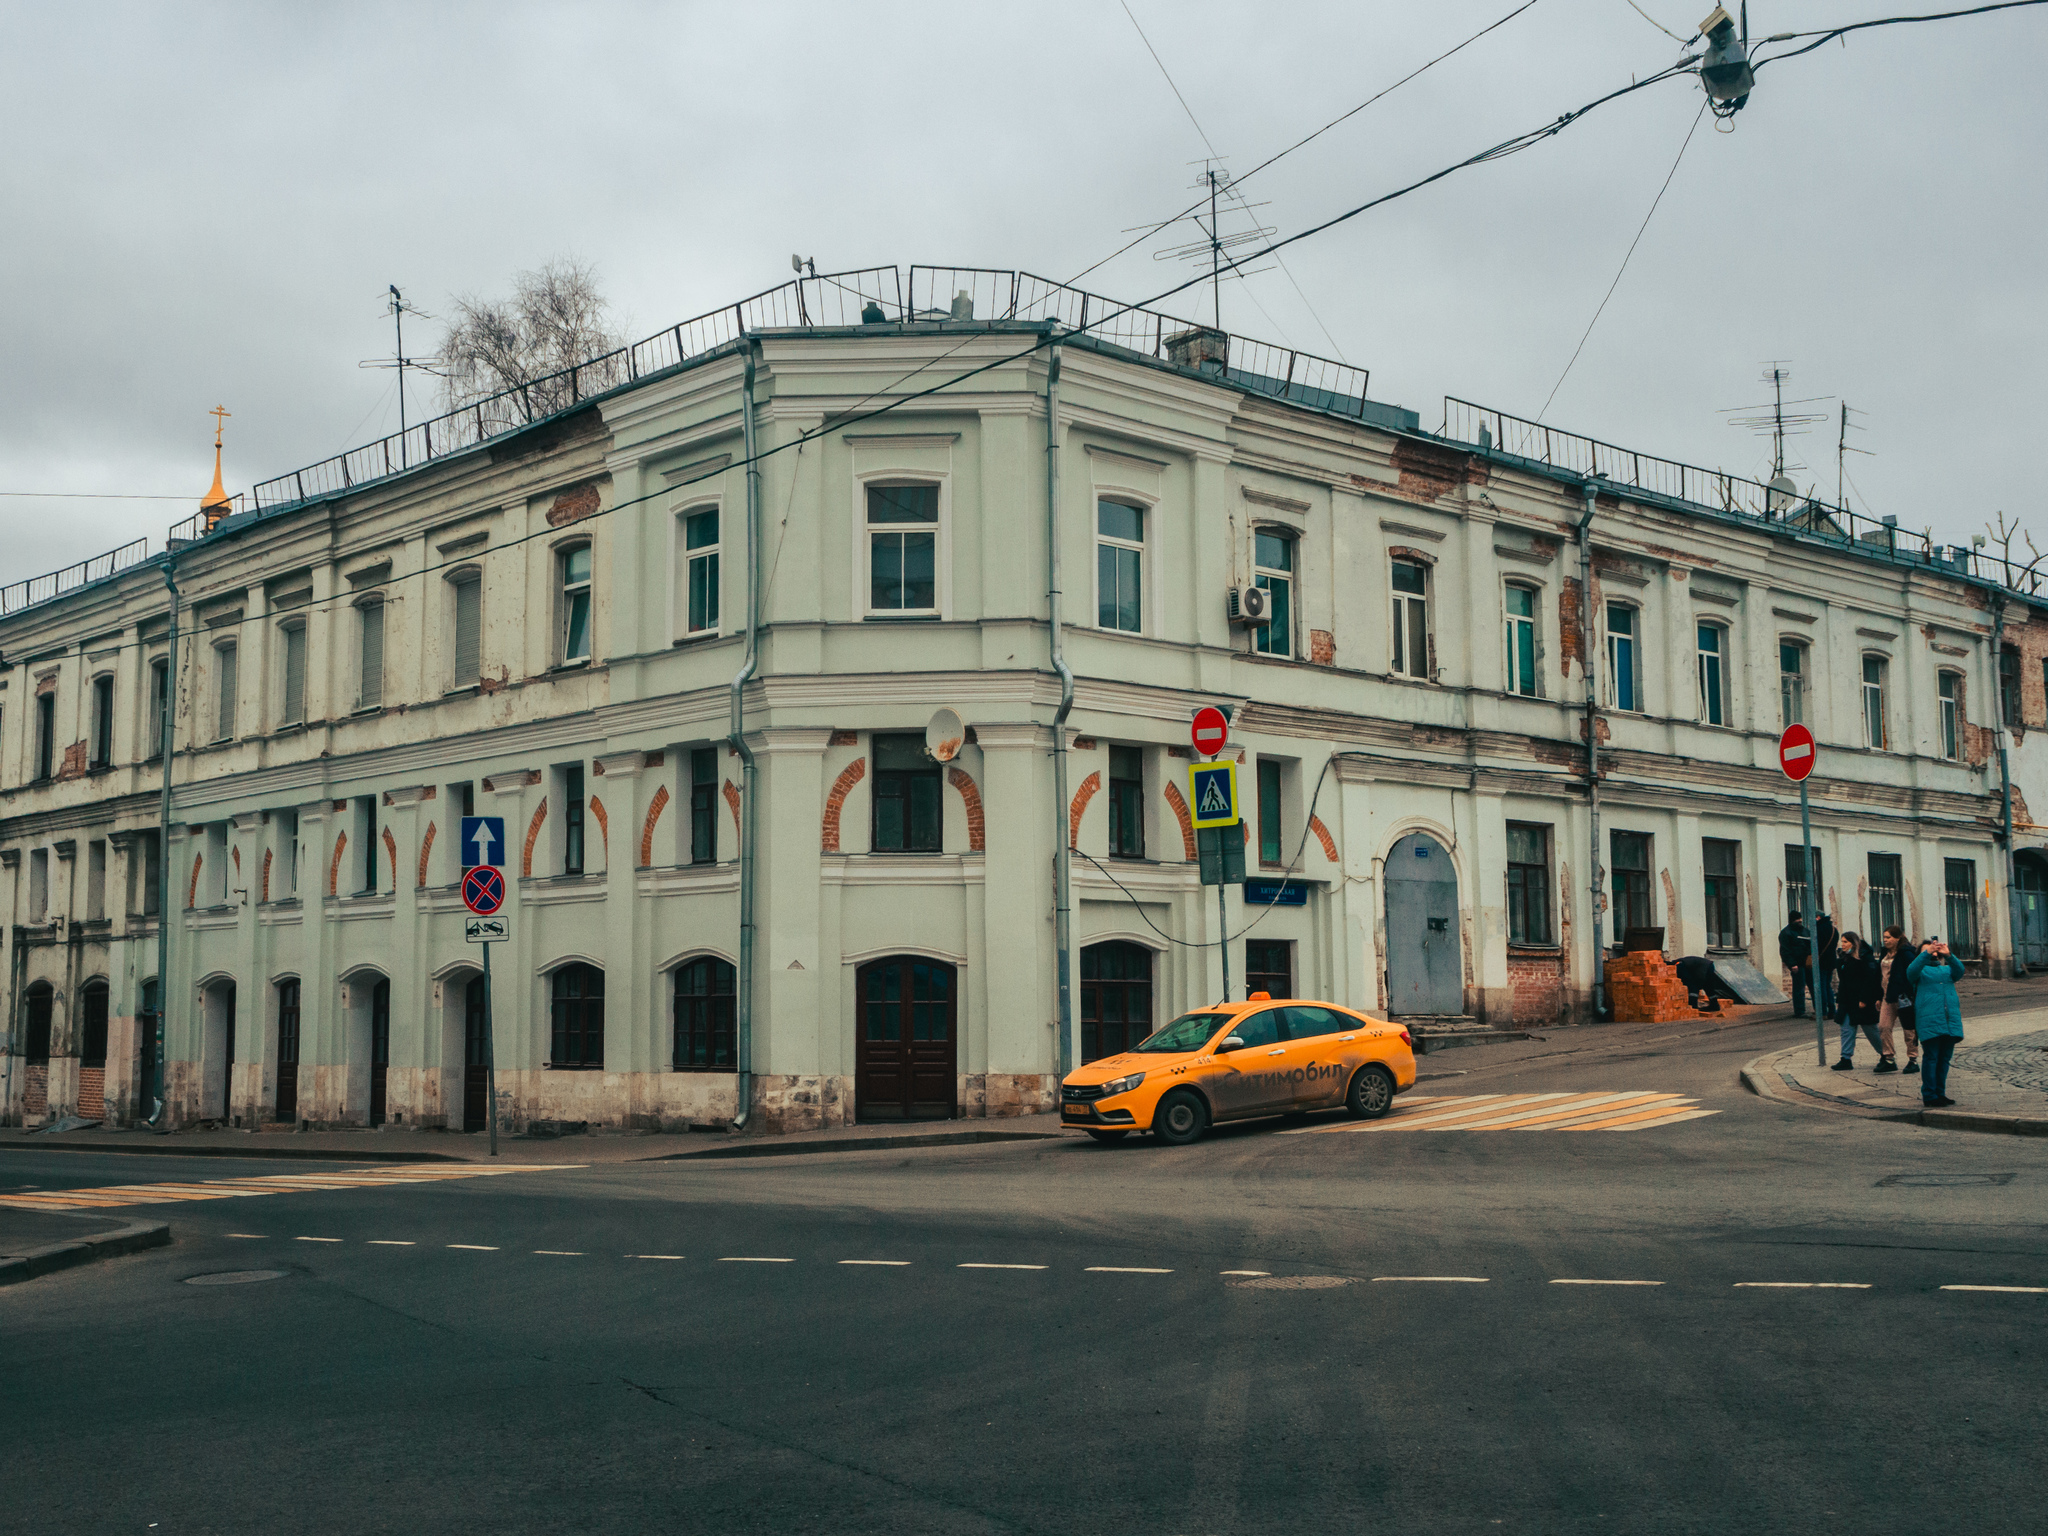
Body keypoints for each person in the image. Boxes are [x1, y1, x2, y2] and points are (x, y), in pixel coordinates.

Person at [1907, 937, 1967, 1108]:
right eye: (1928, 950)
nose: (1933, 952)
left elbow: (1959, 970)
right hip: (1929, 1020)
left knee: (1944, 1059)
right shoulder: (1919, 972)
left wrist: (1949, 955)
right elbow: (1911, 970)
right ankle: (1929, 1094)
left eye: (1935, 950)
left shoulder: (1947, 970)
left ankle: (1940, 1093)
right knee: (1931, 1058)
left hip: (1950, 1021)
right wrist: (1926, 953)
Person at [1829, 932, 1884, 1070]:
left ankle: (1886, 1054)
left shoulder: (1865, 957)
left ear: (1853, 943)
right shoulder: (1843, 958)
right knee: (1846, 1029)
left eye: (1846, 942)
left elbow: (1870, 979)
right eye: (1842, 942)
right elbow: (1843, 981)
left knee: (1871, 1029)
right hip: (1847, 1000)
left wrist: (1865, 998)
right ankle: (1845, 1058)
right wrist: (1839, 999)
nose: (1843, 945)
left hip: (1862, 1000)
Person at [1877, 925, 1921, 1075]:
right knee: (1883, 1026)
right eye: (1884, 938)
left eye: (1888, 937)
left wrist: (1909, 991)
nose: (1885, 940)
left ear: (1897, 938)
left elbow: (1914, 973)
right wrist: (1878, 997)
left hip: (1904, 997)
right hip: (1887, 997)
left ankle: (1913, 1059)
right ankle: (1888, 1058)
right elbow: (1880, 976)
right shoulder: (1885, 953)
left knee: (1909, 1029)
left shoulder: (1907, 953)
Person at [1778, 914, 1816, 1018]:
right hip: (1797, 964)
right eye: (1797, 919)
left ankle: (1818, 1008)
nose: (1800, 920)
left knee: (1814, 986)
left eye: (1800, 918)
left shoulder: (1805, 931)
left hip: (1808, 963)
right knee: (1799, 987)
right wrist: (1792, 964)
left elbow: (1811, 944)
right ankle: (1800, 1011)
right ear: (1792, 920)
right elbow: (1785, 951)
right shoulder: (1786, 933)